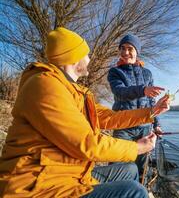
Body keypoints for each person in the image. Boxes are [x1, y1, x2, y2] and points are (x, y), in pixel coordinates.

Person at [0, 27, 170, 198]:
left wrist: (152, 112)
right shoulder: (45, 86)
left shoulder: (72, 90)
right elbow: (87, 143)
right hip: (40, 186)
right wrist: (137, 148)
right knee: (136, 191)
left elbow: (112, 118)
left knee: (131, 169)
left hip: (71, 175)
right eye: (86, 54)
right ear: (73, 58)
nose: (89, 58)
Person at [107, 34, 165, 175]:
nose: (126, 52)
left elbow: (151, 102)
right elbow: (120, 92)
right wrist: (143, 90)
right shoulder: (115, 72)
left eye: (130, 48)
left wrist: (157, 123)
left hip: (145, 128)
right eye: (123, 48)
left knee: (140, 168)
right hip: (123, 126)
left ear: (136, 51)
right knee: (118, 165)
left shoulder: (148, 74)